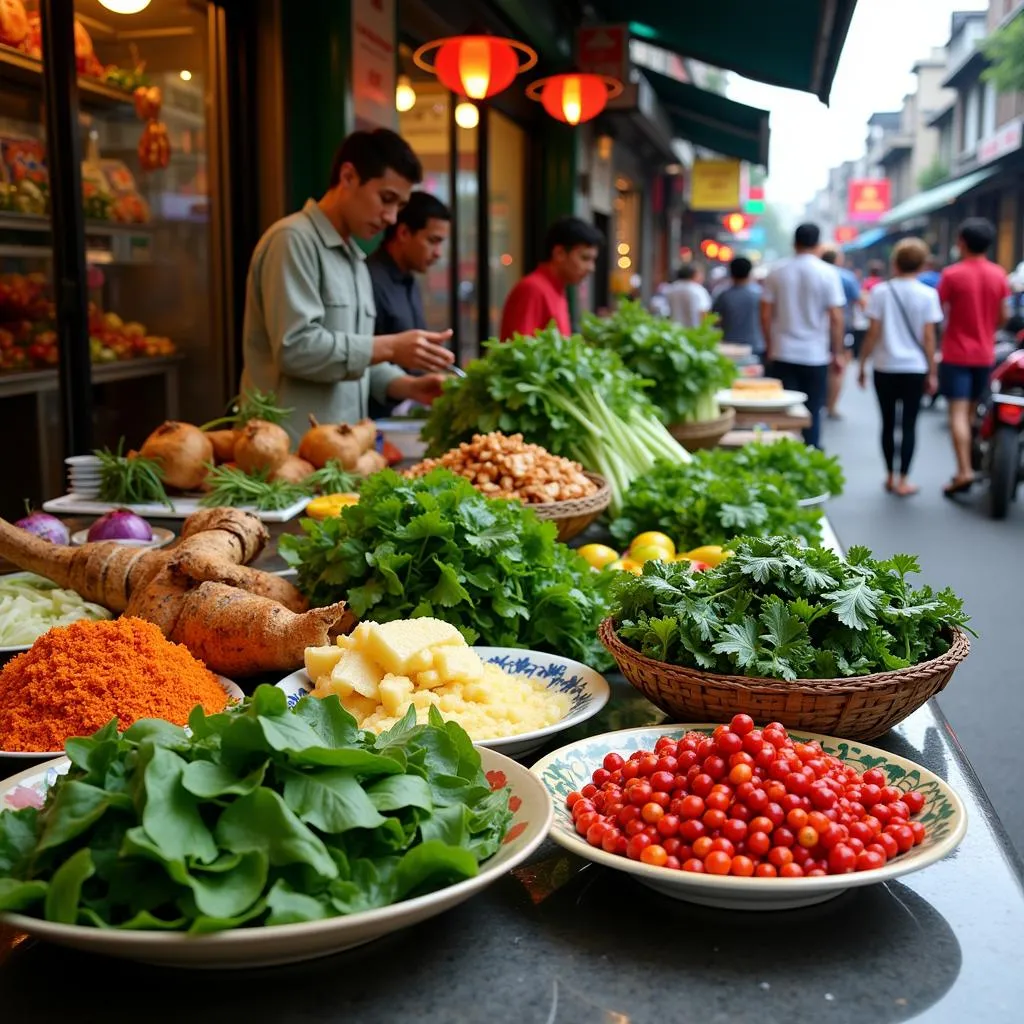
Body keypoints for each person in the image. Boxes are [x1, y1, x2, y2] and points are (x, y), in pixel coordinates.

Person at [241, 129, 454, 436]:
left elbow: (354, 358)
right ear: (349, 176)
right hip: (285, 455)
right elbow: (296, 349)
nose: (391, 217)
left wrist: (409, 387)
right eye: (386, 199)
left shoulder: (354, 259)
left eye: (399, 206)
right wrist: (392, 346)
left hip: (340, 454)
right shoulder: (292, 240)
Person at [857, 238, 941, 497]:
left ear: (895, 262)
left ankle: (890, 476)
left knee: (887, 423)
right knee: (909, 425)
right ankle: (904, 479)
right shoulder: (928, 295)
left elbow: (872, 334)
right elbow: (929, 337)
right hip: (915, 368)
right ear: (922, 265)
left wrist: (861, 364)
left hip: (884, 366)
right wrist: (932, 371)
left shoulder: (881, 292)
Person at [936, 217, 1010, 496]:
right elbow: (1003, 317)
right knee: (970, 413)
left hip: (955, 353)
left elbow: (938, 313)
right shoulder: (999, 275)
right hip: (985, 354)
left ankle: (964, 470)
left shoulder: (952, 275)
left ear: (961, 242)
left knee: (957, 413)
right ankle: (969, 465)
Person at [760, 223, 846, 448]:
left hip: (783, 350)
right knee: (813, 409)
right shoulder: (828, 273)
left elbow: (765, 315)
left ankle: (787, 454)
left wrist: (769, 345)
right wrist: (836, 352)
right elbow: (836, 317)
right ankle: (811, 454)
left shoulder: (777, 272)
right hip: (815, 353)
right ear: (818, 244)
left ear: (794, 243)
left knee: (785, 410)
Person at [367, 191, 451, 417]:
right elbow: (360, 358)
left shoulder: (410, 280)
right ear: (403, 232)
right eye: (433, 241)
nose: (438, 254)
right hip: (374, 416)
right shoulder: (368, 279)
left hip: (406, 407)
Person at [499, 216, 603, 340]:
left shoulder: (557, 288)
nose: (591, 268)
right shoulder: (533, 289)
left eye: (593, 260)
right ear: (559, 253)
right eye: (585, 258)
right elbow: (519, 352)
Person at [821, 246, 862, 418]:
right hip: (843, 328)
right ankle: (831, 406)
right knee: (838, 367)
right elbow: (860, 301)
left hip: (819, 329)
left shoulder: (819, 274)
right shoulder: (847, 277)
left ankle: (820, 402)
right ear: (838, 259)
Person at [712, 256, 764, 358]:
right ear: (750, 272)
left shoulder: (723, 295)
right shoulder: (759, 294)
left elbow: (715, 321)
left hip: (729, 348)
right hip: (755, 346)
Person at [664, 264, 712, 329]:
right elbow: (703, 313)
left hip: (674, 330)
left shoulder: (671, 288)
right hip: (694, 332)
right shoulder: (698, 289)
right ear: (694, 275)